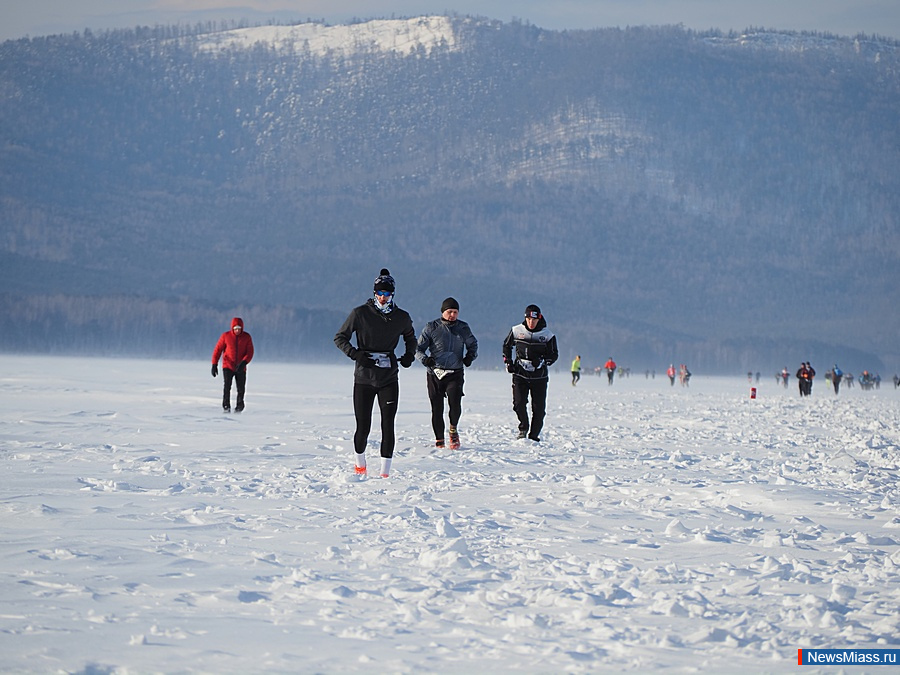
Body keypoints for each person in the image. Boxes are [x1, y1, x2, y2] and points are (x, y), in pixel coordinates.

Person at [334, 269, 416, 478]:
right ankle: (360, 465)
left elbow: (410, 337)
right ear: (374, 292)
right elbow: (340, 337)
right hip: (364, 377)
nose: (382, 297)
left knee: (388, 424)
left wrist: (409, 355)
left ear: (393, 295)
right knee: (363, 426)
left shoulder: (401, 317)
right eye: (379, 292)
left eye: (387, 293)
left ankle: (384, 473)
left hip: (388, 377)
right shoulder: (360, 313)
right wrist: (355, 354)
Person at [415, 297, 478, 450]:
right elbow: (417, 349)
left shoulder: (463, 328)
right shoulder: (432, 327)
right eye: (449, 312)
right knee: (436, 408)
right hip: (435, 373)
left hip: (455, 372)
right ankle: (439, 439)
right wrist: (425, 360)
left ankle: (453, 429)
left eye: (455, 312)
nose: (452, 315)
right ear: (443, 312)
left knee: (455, 404)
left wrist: (470, 357)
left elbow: (473, 344)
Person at [502, 304, 558, 442]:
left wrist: (542, 361)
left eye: (534, 320)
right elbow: (506, 346)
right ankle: (523, 427)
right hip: (520, 373)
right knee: (518, 403)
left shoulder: (547, 335)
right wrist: (508, 362)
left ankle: (534, 436)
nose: (531, 322)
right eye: (529, 319)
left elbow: (554, 355)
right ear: (525, 318)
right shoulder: (516, 330)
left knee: (538, 409)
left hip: (539, 376)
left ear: (539, 319)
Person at [211, 317, 254, 413]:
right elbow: (217, 350)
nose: (237, 330)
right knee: (227, 386)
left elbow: (250, 352)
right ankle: (226, 406)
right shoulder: (225, 336)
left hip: (241, 367)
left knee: (241, 388)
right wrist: (214, 364)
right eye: (235, 328)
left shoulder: (247, 337)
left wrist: (244, 362)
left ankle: (239, 407)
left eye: (239, 328)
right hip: (228, 365)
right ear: (232, 328)